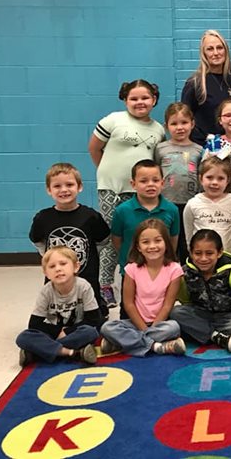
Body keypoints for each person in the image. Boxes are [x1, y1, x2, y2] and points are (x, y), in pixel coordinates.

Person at [88, 79, 166, 308]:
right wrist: (108, 174)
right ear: (125, 100)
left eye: (145, 98)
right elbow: (94, 148)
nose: (139, 102)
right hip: (112, 189)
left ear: (153, 100)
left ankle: (134, 280)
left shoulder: (158, 129)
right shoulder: (113, 120)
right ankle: (104, 285)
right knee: (114, 238)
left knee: (137, 237)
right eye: (134, 98)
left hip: (140, 192)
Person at [29, 163, 110, 316]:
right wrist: (49, 257)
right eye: (57, 186)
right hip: (57, 280)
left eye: (69, 184)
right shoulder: (43, 218)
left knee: (93, 320)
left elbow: (103, 240)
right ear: (49, 190)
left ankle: (98, 306)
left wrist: (90, 254)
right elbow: (37, 240)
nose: (64, 190)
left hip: (87, 275)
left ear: (80, 187)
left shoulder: (91, 216)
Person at [100, 219, 186, 357]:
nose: (152, 246)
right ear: (138, 247)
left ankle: (120, 344)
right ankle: (155, 346)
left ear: (166, 243)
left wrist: (153, 327)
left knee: (174, 327)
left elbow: (167, 305)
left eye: (158, 240)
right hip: (135, 322)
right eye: (146, 242)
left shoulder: (174, 269)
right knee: (107, 327)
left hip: (160, 324)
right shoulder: (132, 269)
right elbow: (128, 304)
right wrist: (143, 328)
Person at [16, 246, 100, 366]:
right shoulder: (46, 291)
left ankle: (38, 352)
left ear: (76, 267)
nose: (58, 269)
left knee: (91, 332)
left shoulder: (84, 287)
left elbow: (94, 320)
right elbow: (34, 324)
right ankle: (71, 352)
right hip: (53, 334)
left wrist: (66, 331)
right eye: (52, 266)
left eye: (63, 264)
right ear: (46, 273)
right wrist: (57, 331)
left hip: (75, 332)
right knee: (23, 337)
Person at [171, 229, 231, 353]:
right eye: (198, 253)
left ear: (219, 253)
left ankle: (201, 333)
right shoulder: (186, 273)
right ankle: (216, 336)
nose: (203, 259)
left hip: (227, 316)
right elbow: (184, 298)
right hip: (200, 314)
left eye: (209, 253)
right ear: (191, 253)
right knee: (176, 312)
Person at [111, 160, 180, 291]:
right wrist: (132, 257)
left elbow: (173, 240)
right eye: (144, 181)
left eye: (155, 180)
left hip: (160, 270)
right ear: (133, 184)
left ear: (162, 183)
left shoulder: (172, 210)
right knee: (128, 308)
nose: (150, 185)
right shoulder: (122, 210)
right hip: (131, 271)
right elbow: (117, 240)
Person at [154, 102, 203, 264]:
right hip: (167, 203)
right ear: (166, 126)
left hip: (189, 204)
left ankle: (186, 275)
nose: (179, 127)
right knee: (167, 241)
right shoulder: (160, 149)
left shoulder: (198, 150)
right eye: (174, 123)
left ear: (192, 123)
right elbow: (156, 173)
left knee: (186, 241)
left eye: (184, 122)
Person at [181, 30, 231, 145]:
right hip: (204, 148)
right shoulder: (194, 83)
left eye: (219, 48)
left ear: (226, 50)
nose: (216, 53)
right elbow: (184, 118)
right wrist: (205, 140)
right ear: (204, 53)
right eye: (210, 49)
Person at [184, 156, 231, 256]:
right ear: (201, 179)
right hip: (202, 258)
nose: (214, 182)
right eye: (209, 177)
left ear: (228, 181)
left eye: (220, 178)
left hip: (229, 258)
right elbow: (189, 235)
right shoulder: (192, 204)